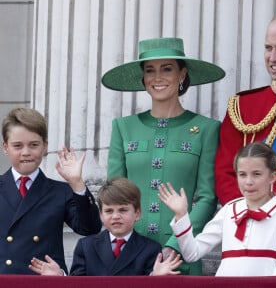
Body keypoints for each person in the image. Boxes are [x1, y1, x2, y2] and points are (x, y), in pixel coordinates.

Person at [101, 37, 225, 275]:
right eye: (150, 71)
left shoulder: (207, 129)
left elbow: (207, 198)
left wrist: (176, 245)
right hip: (129, 254)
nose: (157, 77)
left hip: (180, 257)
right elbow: (114, 194)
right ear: (144, 78)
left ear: (182, 74)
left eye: (167, 69)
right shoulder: (122, 127)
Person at [158, 142, 276, 276]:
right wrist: (181, 215)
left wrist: (271, 285)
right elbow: (192, 253)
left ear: (272, 177)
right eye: (242, 174)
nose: (248, 182)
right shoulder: (229, 209)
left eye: (256, 174)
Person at [215, 14, 276, 225]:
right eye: (268, 48)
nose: (272, 57)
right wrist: (250, 215)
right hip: (252, 227)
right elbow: (225, 172)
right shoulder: (244, 106)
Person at [0, 107, 102, 274]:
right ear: (5, 147)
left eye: (33, 145)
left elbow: (90, 228)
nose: (26, 152)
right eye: (17, 146)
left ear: (45, 146)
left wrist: (77, 183)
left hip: (44, 281)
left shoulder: (60, 191)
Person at [29, 177, 182, 276]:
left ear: (137, 213)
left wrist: (156, 277)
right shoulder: (86, 246)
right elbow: (77, 284)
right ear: (101, 215)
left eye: (123, 210)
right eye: (109, 211)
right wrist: (60, 277)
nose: (116, 216)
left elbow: (151, 279)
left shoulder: (151, 248)